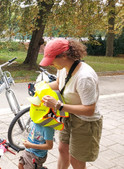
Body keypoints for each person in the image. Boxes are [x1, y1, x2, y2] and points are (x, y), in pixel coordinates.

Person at [39, 38, 103, 169]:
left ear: (64, 55)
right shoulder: (63, 68)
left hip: (85, 122)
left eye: (52, 60)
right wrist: (41, 87)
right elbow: (58, 83)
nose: (50, 64)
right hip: (69, 116)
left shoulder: (84, 77)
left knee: (76, 159)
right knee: (63, 149)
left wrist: (58, 106)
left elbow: (89, 109)